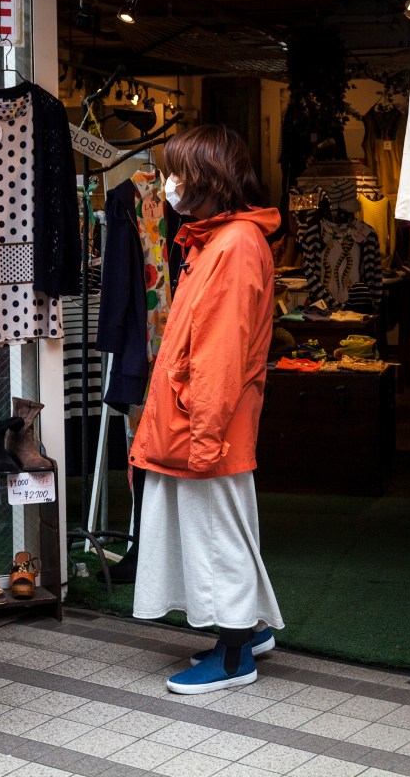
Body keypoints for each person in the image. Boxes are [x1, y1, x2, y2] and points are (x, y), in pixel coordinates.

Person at [130, 124, 285, 694]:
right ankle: (248, 633)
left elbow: (219, 353)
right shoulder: (217, 240)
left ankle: (236, 653)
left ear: (209, 180)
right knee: (226, 531)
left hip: (208, 427)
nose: (170, 185)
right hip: (204, 422)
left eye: (179, 173)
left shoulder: (234, 245)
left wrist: (203, 438)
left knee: (217, 537)